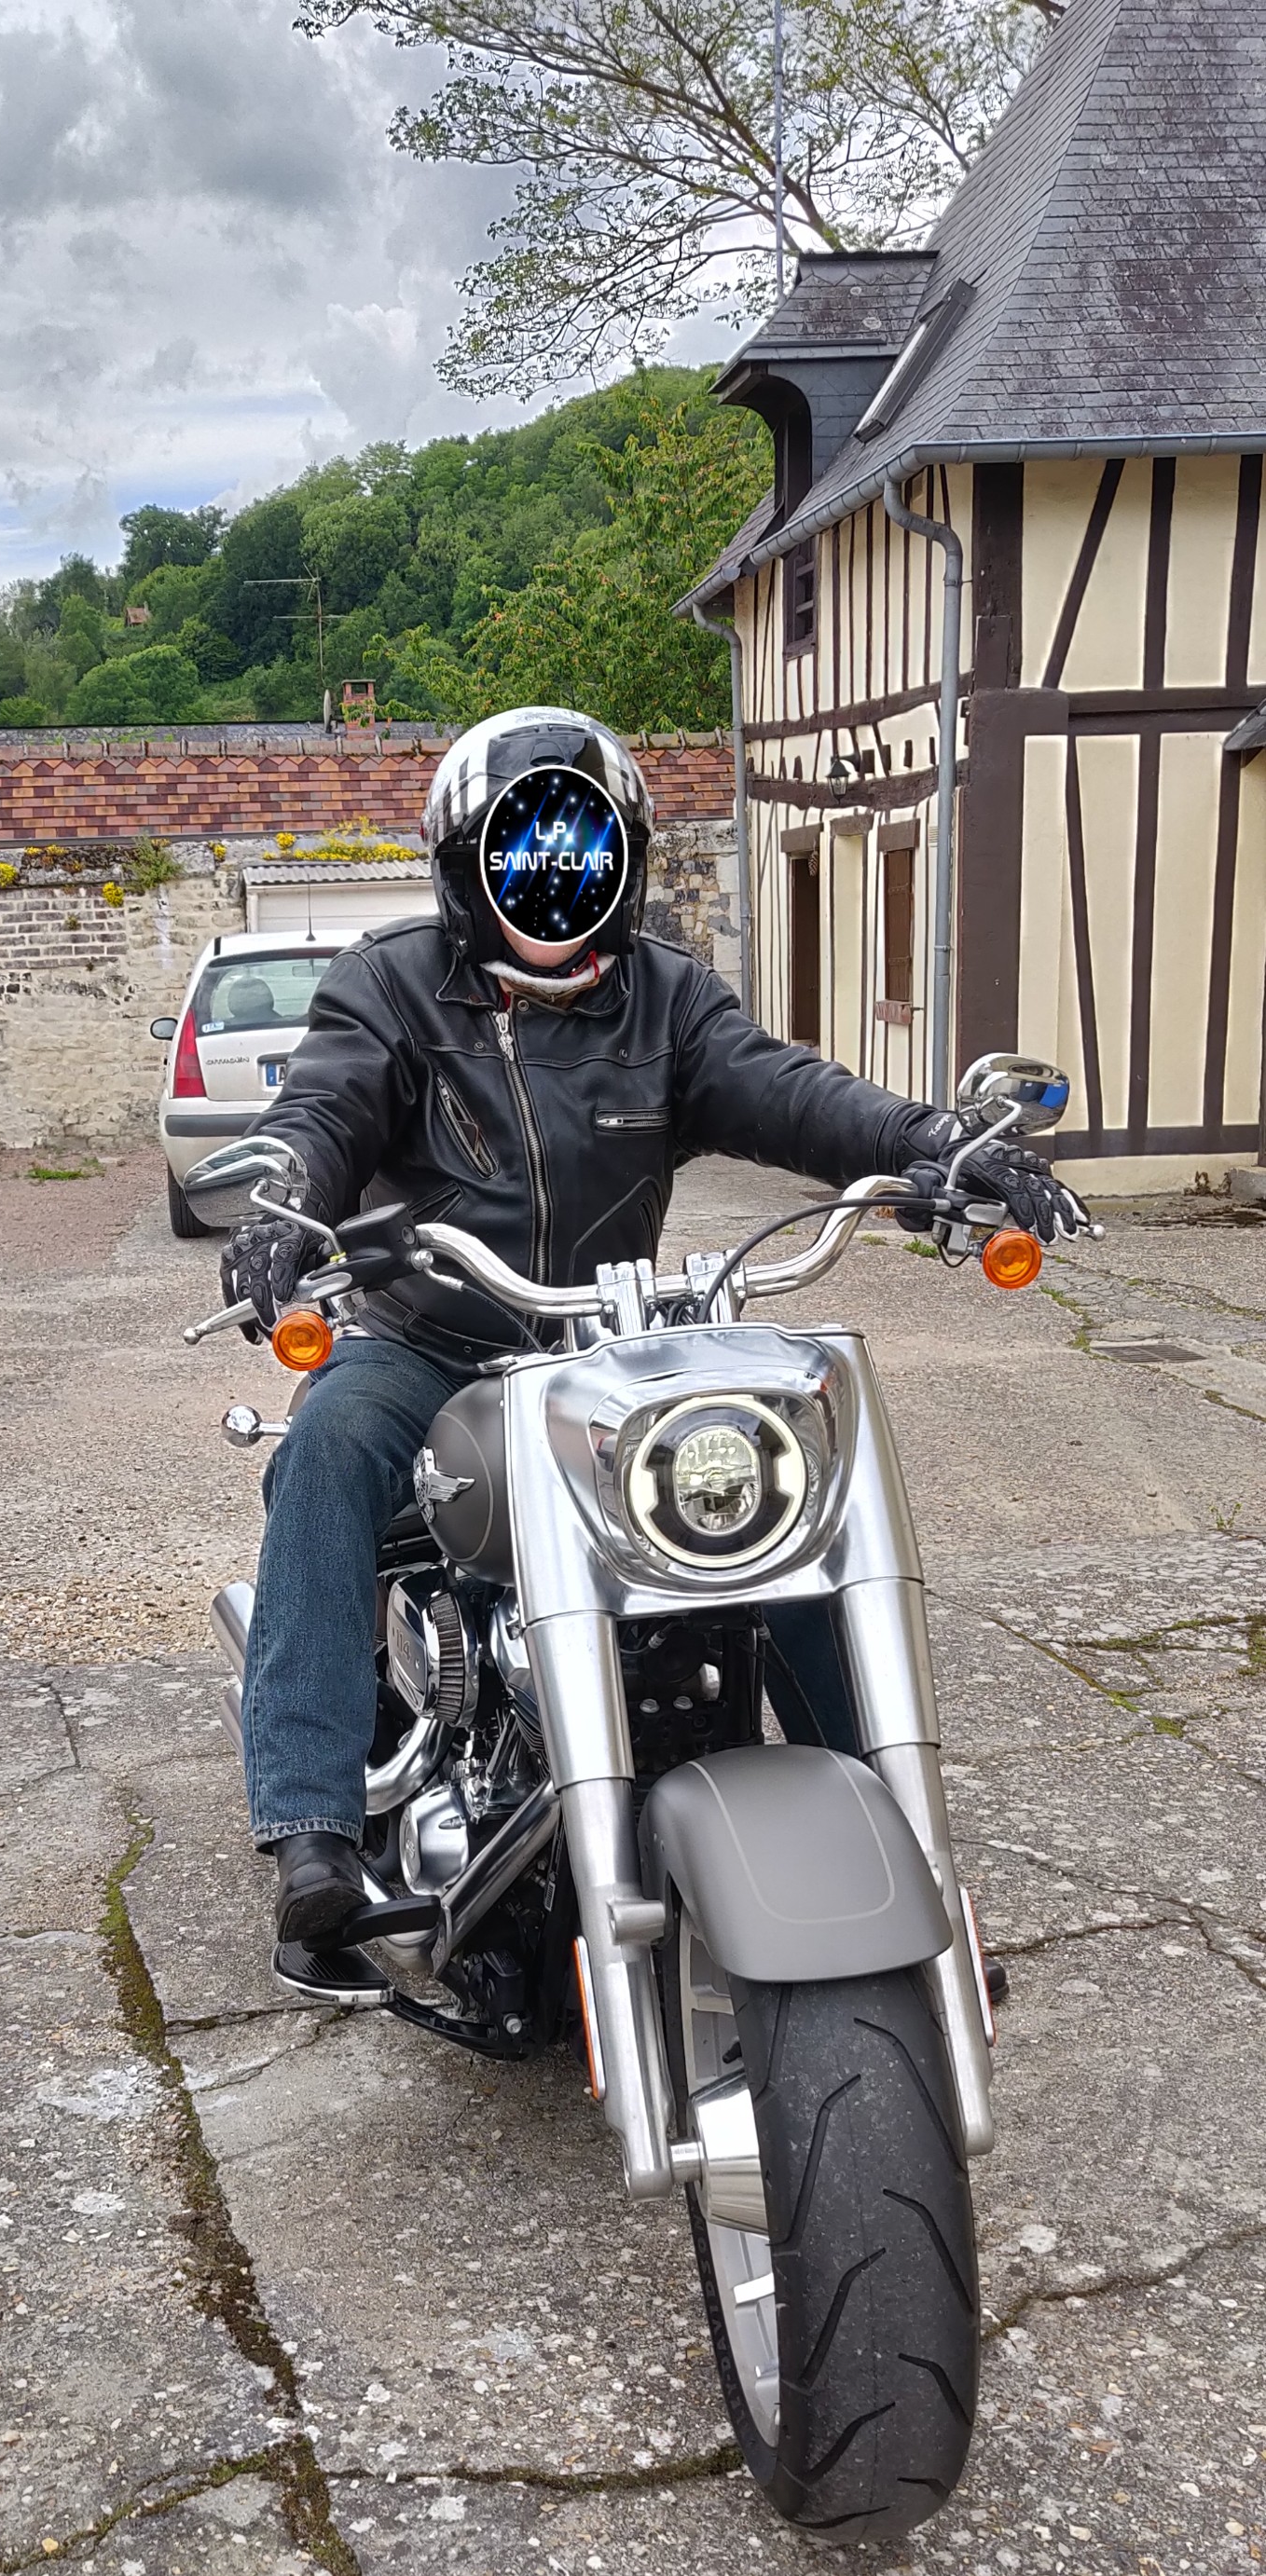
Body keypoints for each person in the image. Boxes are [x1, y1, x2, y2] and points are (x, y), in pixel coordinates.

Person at [220, 706, 1083, 1990]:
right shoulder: (390, 985)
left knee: (785, 1500)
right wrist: (285, 1197)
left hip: (605, 1343)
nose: (553, 883)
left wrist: (930, 1145)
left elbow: (789, 1090)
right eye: (524, 854)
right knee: (327, 1450)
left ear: (617, 861)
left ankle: (892, 1855)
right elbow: (325, 1107)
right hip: (433, 1335)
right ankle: (314, 1834)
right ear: (467, 868)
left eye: (579, 853)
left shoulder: (666, 998)